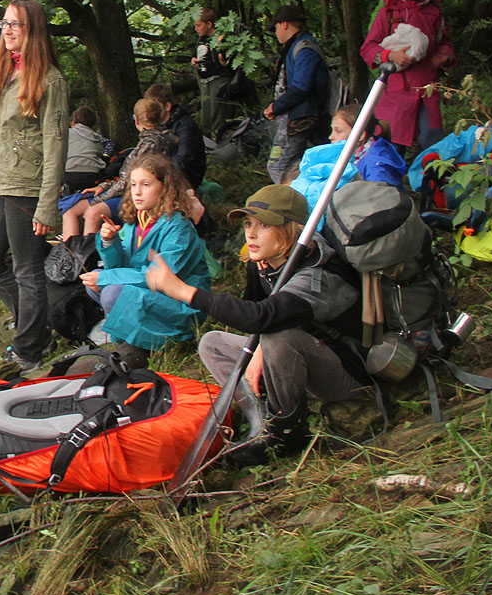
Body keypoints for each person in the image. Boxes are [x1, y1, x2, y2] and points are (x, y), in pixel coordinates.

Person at [143, 184, 367, 466]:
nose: (250, 233)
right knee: (212, 343)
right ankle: (260, 416)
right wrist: (259, 349)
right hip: (297, 362)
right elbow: (257, 318)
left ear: (293, 229)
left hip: (345, 376)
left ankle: (286, 433)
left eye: (264, 225)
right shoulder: (265, 263)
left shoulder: (318, 277)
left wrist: (184, 292)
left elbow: (261, 317)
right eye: (248, 223)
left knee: (277, 339)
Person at [0, 0, 69, 373]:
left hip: (27, 187)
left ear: (33, 31)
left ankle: (30, 348)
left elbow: (55, 143)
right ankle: (37, 326)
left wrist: (48, 206)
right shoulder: (1, 72)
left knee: (28, 269)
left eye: (16, 25)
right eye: (5, 23)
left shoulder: (50, 80)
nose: (6, 31)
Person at [79, 154, 210, 367]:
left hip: (180, 303)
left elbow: (159, 275)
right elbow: (120, 267)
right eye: (132, 185)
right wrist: (110, 243)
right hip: (151, 293)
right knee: (95, 287)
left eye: (145, 184)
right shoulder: (135, 222)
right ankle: (132, 338)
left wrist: (107, 277)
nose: (137, 192)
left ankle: (162, 341)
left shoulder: (178, 226)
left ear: (165, 187)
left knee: (110, 290)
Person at [360, 0, 456, 153]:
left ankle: (432, 182)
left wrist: (444, 56)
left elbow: (444, 41)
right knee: (390, 144)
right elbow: (368, 48)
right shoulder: (387, 11)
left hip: (427, 88)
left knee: (433, 144)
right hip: (396, 90)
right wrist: (390, 55)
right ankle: (387, 183)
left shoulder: (433, 10)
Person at [61, 98, 176, 239]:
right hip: (124, 190)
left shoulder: (150, 145)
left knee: (92, 212)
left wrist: (101, 198)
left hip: (133, 195)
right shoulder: (151, 141)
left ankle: (86, 257)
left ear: (137, 120)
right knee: (71, 209)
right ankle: (70, 256)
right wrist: (103, 187)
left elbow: (129, 182)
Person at [266, 4, 330, 184]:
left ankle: (293, 204)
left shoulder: (304, 49)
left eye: (276, 27)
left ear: (284, 24)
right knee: (295, 166)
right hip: (296, 117)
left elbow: (301, 87)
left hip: (300, 119)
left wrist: (276, 107)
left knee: (278, 167)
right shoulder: (296, 47)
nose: (276, 33)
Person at [144, 82, 206, 189]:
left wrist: (155, 171)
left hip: (186, 177)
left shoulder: (186, 126)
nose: (151, 111)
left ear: (167, 106)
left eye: (155, 107)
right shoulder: (155, 125)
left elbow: (183, 161)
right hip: (163, 173)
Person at [192, 7, 233, 137]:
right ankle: (207, 140)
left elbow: (227, 61)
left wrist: (223, 62)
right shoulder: (200, 39)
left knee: (217, 111)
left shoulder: (220, 39)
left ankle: (219, 137)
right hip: (204, 80)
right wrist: (194, 60)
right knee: (206, 112)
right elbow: (197, 54)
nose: (196, 29)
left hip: (217, 78)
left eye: (199, 25)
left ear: (209, 24)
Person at [63, 106, 114, 192]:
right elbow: (100, 152)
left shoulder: (68, 133)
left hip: (69, 174)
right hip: (92, 175)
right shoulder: (97, 138)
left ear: (74, 120)